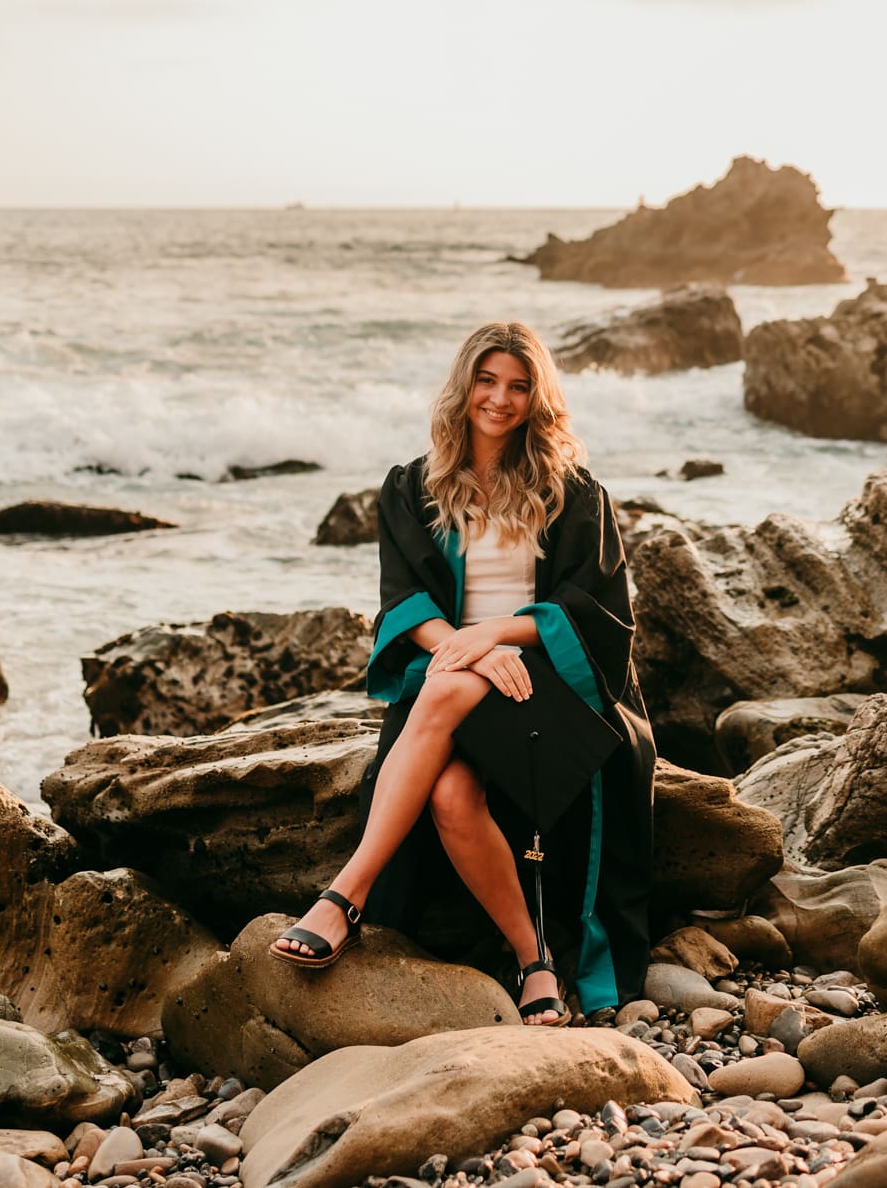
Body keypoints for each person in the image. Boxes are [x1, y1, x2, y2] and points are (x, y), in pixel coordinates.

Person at [269, 322, 656, 1025]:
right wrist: (470, 647)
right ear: (464, 385)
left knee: (446, 687)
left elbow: (594, 610)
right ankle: (534, 959)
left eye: (517, 385)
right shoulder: (415, 485)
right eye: (487, 380)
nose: (500, 399)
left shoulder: (574, 492)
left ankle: (342, 896)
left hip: (548, 677)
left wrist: (497, 636)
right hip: (460, 665)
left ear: (537, 397)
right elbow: (405, 601)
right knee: (450, 794)